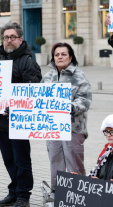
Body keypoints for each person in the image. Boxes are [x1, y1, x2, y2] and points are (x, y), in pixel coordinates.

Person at [0, 22, 42, 207]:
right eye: (6, 37)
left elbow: (34, 91)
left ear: (20, 39)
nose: (9, 40)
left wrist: (17, 106)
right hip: (1, 120)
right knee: (8, 159)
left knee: (21, 160)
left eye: (12, 37)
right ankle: (13, 191)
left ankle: (23, 195)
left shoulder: (28, 62)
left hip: (19, 120)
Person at [42, 42, 92, 198]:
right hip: (52, 128)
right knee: (55, 162)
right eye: (57, 54)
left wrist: (68, 107)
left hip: (73, 128)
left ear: (70, 57)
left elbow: (85, 100)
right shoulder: (48, 76)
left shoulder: (79, 75)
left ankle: (79, 195)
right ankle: (58, 195)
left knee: (74, 163)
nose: (60, 57)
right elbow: (38, 99)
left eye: (63, 54)